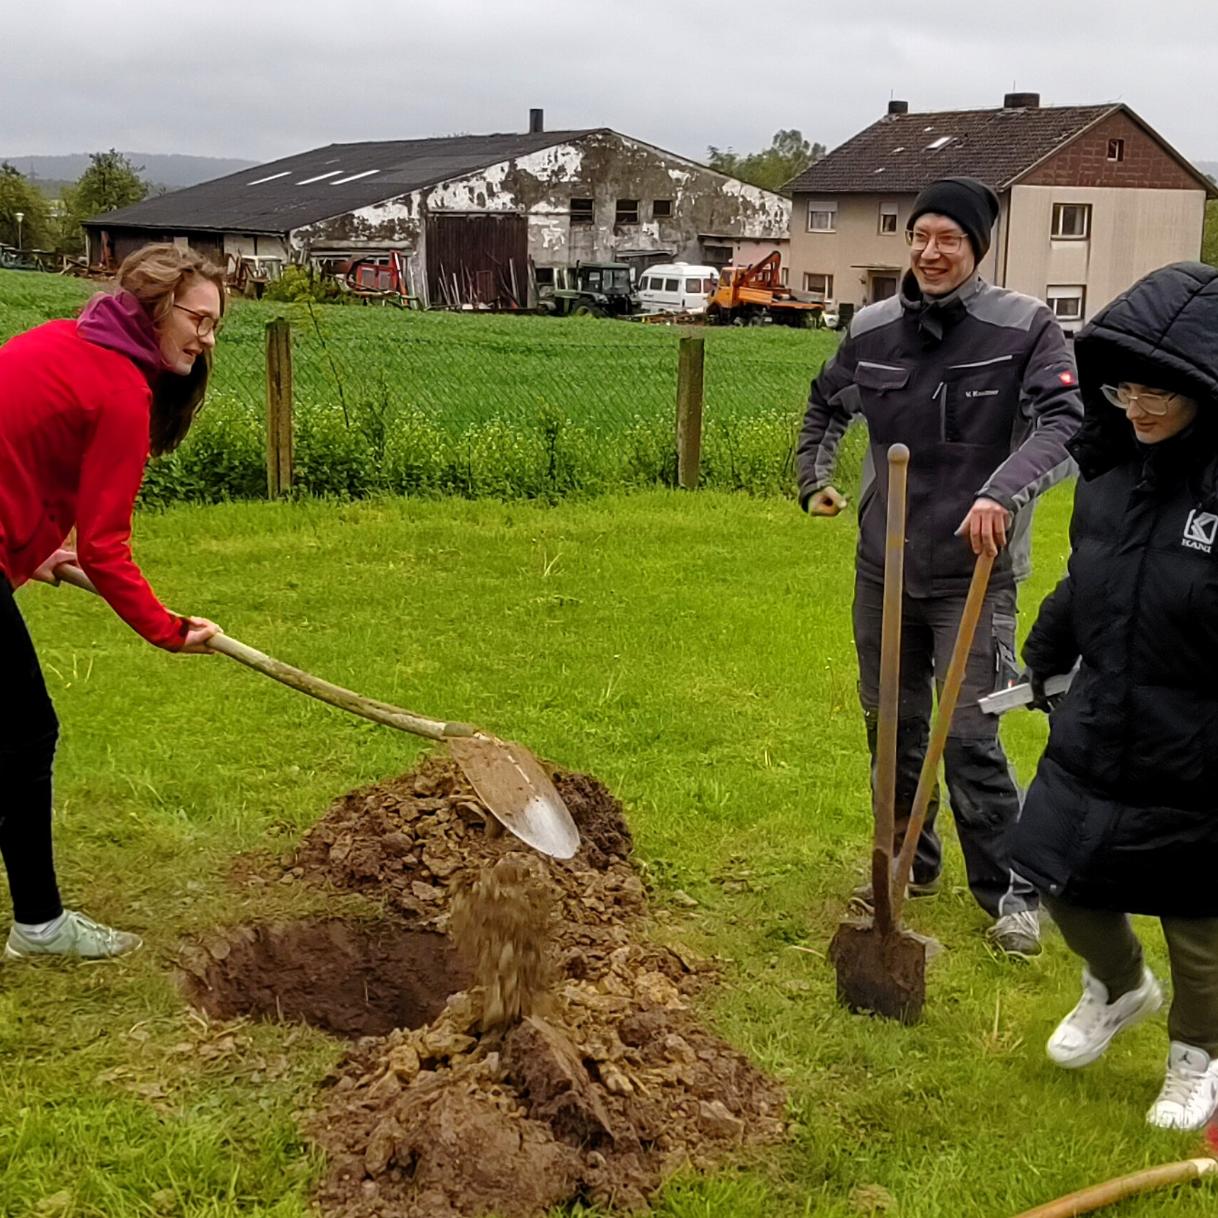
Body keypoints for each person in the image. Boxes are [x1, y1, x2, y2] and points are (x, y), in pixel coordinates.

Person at [797, 177, 1083, 959]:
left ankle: (1012, 893)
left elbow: (1065, 424)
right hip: (885, 562)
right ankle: (904, 865)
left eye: (948, 238)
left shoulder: (1025, 327)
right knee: (890, 726)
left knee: (969, 733)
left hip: (975, 569)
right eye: (920, 235)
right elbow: (826, 404)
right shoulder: (873, 328)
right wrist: (814, 479)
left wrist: (1001, 492)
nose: (930, 251)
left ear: (976, 248)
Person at [1012, 262, 1218, 1129]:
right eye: (1123, 387)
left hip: (1200, 738)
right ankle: (1120, 984)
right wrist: (1048, 647)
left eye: (1158, 391)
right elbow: (1086, 571)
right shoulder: (1106, 470)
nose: (1136, 406)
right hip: (1104, 713)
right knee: (1057, 866)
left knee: (1197, 917)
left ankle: (1196, 1058)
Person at [0, 243, 225, 960]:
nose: (207, 337)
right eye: (198, 319)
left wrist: (32, 547)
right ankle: (40, 926)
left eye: (215, 325)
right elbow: (106, 548)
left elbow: (21, 457)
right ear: (157, 307)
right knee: (26, 734)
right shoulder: (121, 390)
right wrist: (169, 630)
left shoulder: (59, 341)